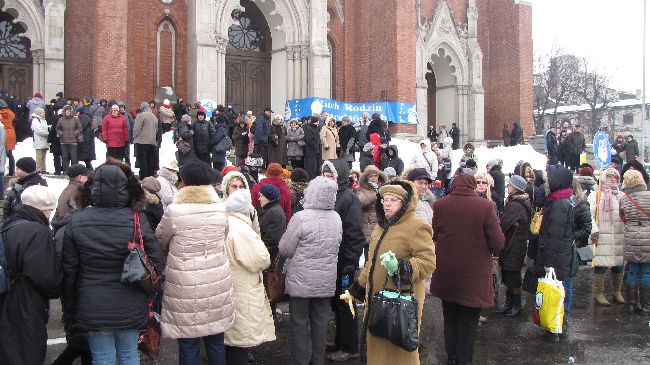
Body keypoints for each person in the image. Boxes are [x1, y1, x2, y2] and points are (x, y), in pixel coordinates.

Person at [62, 161, 163, 364]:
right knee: (129, 353)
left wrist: (70, 307)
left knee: (102, 357)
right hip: (131, 298)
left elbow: (69, 270)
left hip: (92, 300)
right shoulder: (136, 219)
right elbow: (156, 259)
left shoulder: (77, 220)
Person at [346, 180, 436, 365]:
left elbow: (428, 262)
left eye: (393, 199)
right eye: (385, 199)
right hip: (377, 302)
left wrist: (401, 267)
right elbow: (372, 263)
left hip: (399, 305)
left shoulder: (417, 226)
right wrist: (357, 289)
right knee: (377, 350)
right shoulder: (382, 225)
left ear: (405, 203)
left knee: (398, 353)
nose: (387, 203)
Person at [156, 159, 236, 364]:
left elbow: (160, 240)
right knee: (216, 341)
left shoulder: (174, 212)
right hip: (217, 282)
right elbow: (224, 237)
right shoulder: (220, 209)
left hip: (184, 286)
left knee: (189, 343)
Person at [430, 173, 505, 362]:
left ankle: (452, 357)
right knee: (468, 322)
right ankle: (463, 359)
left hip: (446, 273)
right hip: (474, 277)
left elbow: (435, 234)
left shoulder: (440, 204)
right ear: (472, 186)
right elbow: (497, 242)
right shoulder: (485, 206)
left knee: (450, 317)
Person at [280, 176, 342, 365]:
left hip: (301, 280)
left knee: (299, 322)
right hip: (325, 280)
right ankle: (318, 360)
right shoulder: (336, 218)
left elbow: (285, 249)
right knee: (321, 322)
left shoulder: (301, 217)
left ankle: (300, 361)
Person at [0, 185, 60, 365]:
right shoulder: (37, 232)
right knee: (26, 352)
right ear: (45, 209)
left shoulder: (7, 225)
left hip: (6, 295)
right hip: (26, 301)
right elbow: (43, 276)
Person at [320, 159, 365, 362]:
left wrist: (350, 262)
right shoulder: (333, 195)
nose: (327, 180)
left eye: (331, 176)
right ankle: (340, 341)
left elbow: (355, 234)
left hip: (344, 260)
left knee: (345, 304)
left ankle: (350, 346)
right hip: (332, 260)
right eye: (325, 176)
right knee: (337, 303)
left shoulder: (348, 199)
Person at [224, 189, 276, 364]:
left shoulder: (225, 223)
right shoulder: (241, 229)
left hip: (229, 286)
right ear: (246, 210)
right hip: (242, 289)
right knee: (240, 340)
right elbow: (260, 259)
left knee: (230, 339)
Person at [532, 165, 574, 342]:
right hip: (558, 256)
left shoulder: (559, 204)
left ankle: (555, 330)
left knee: (554, 293)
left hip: (556, 258)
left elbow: (554, 236)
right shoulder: (559, 200)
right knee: (554, 292)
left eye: (550, 178)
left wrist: (548, 261)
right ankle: (554, 327)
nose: (547, 181)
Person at [589, 167, 626, 306]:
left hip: (618, 235)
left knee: (618, 265)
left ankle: (617, 291)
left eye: (615, 177)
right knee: (601, 265)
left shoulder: (621, 196)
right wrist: (594, 231)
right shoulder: (596, 195)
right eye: (610, 176)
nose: (613, 179)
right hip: (602, 235)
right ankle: (599, 293)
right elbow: (590, 215)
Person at [498, 175, 532, 317]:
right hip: (515, 244)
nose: (508, 187)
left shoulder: (515, 205)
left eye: (510, 185)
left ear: (515, 188)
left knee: (513, 275)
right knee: (509, 274)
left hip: (513, 245)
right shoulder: (518, 202)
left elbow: (504, 225)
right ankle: (509, 303)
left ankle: (516, 304)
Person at [619, 169, 650, 314]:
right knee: (647, 273)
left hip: (631, 237)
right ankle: (645, 306)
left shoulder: (624, 198)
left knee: (632, 270)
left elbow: (623, 218)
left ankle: (631, 304)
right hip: (648, 238)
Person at [355, 166, 387, 262]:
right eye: (370, 176)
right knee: (368, 258)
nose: (373, 178)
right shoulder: (360, 189)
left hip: (381, 224)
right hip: (368, 225)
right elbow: (361, 201)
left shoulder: (384, 188)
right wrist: (376, 194)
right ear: (366, 178)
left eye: (375, 175)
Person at [258, 184, 287, 264]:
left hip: (267, 259)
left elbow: (272, 241)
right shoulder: (271, 209)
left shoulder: (273, 213)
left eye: (261, 196)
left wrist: (262, 258)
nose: (259, 199)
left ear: (268, 198)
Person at [133, 101, 160, 178]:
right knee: (150, 159)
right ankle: (150, 175)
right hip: (152, 141)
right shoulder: (154, 116)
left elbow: (137, 129)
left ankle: (143, 176)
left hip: (141, 141)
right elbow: (156, 129)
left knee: (142, 160)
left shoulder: (141, 116)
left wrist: (134, 136)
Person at [56, 105, 82, 173]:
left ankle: (74, 172)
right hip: (63, 142)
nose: (67, 112)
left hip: (73, 141)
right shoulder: (61, 119)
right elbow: (57, 128)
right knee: (65, 158)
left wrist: (75, 133)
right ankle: (65, 171)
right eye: (66, 110)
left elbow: (79, 127)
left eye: (69, 110)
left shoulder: (75, 119)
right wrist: (61, 133)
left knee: (74, 158)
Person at [30, 107, 50, 173]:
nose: (44, 113)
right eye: (42, 112)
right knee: (39, 156)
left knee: (43, 156)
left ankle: (43, 169)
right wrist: (47, 133)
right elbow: (38, 130)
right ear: (39, 113)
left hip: (44, 140)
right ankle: (38, 169)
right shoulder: (35, 120)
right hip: (39, 140)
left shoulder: (43, 120)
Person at [0, 99, 16, 176]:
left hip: (2, 133)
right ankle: (12, 171)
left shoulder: (0, 114)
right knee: (10, 153)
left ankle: (1, 170)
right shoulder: (10, 113)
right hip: (10, 133)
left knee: (1, 153)